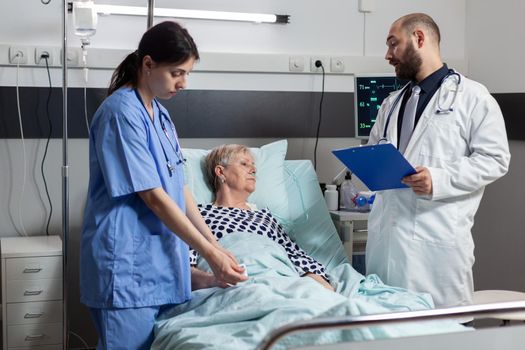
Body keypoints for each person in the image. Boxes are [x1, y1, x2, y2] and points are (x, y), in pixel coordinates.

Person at [80, 21, 246, 350]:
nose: (183, 83)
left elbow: (179, 187)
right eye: (176, 73)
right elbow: (153, 197)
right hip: (126, 267)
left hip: (158, 266)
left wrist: (215, 245)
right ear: (148, 64)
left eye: (187, 74)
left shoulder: (162, 115)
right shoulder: (120, 113)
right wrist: (208, 253)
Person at [366, 13, 510, 308]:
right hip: (386, 244)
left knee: (442, 331)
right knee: (385, 330)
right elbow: (373, 151)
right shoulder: (391, 103)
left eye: (394, 44)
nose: (388, 55)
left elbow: (495, 159)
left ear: (419, 39)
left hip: (435, 248)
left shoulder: (473, 98)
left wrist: (438, 179)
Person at [189, 144, 334, 291]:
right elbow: (186, 268)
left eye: (253, 165)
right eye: (244, 164)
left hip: (280, 279)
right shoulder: (199, 215)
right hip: (231, 284)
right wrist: (215, 282)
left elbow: (295, 256)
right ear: (220, 172)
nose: (254, 169)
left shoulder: (265, 216)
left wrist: (323, 290)